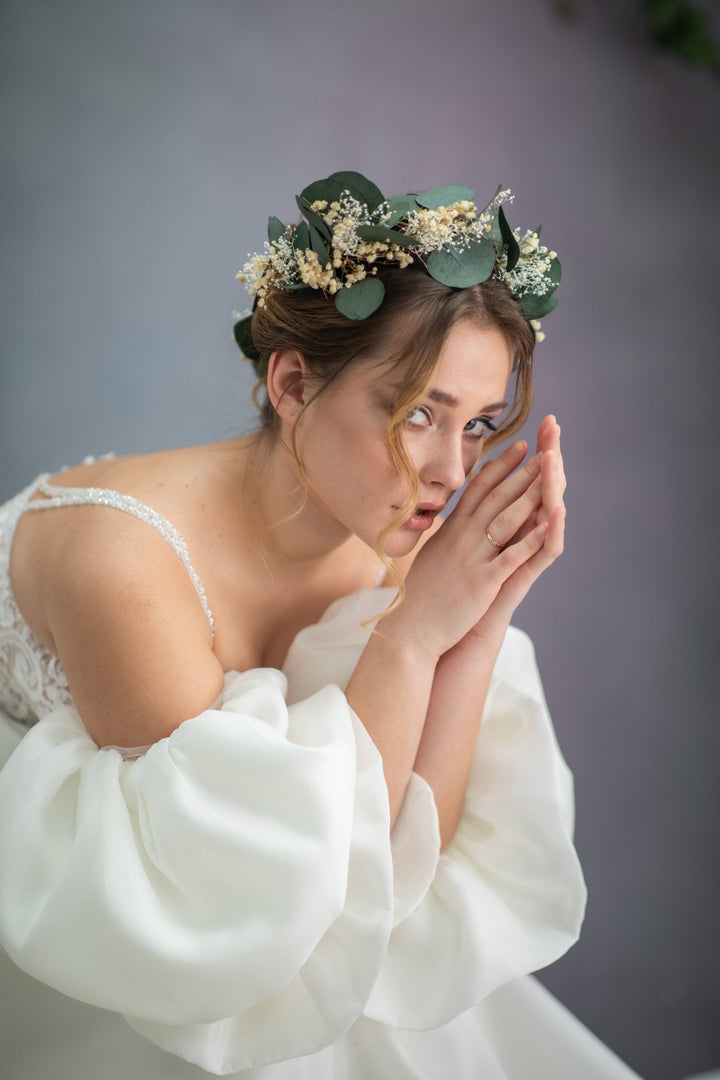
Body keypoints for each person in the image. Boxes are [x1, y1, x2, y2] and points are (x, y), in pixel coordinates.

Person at [0, 172, 640, 1078]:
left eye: (479, 426)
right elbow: (229, 897)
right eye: (418, 412)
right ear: (293, 382)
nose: (452, 474)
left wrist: (484, 615)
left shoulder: (392, 527)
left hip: (278, 911)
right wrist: (413, 635)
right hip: (128, 937)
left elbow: (405, 847)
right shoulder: (124, 564)